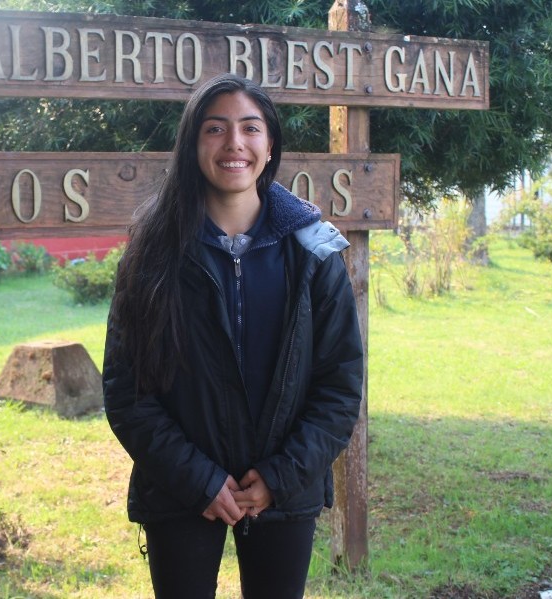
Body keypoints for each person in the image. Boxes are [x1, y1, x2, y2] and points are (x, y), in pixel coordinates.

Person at [102, 73, 365, 599]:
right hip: (180, 489)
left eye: (250, 128)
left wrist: (279, 477)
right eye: (215, 129)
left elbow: (339, 386)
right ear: (192, 144)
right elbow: (128, 390)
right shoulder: (153, 251)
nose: (234, 144)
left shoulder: (313, 254)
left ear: (270, 145)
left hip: (283, 489)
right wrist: (198, 479)